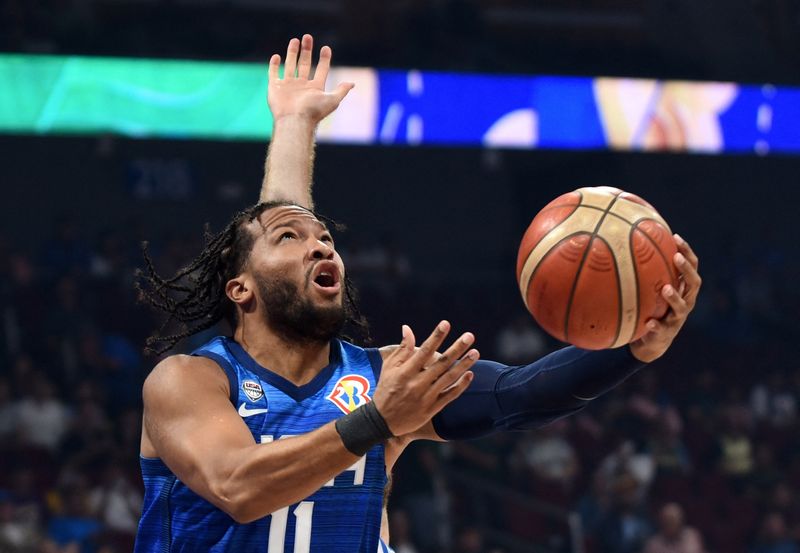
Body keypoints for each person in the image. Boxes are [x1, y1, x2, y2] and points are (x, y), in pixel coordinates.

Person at [133, 35, 702, 553]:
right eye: (295, 238)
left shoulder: (387, 376)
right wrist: (376, 422)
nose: (322, 247)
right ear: (240, 289)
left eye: (328, 239)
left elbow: (519, 397)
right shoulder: (191, 380)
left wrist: (632, 351)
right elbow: (239, 485)